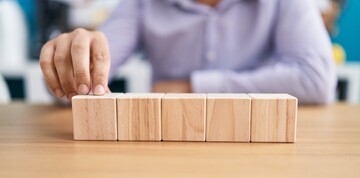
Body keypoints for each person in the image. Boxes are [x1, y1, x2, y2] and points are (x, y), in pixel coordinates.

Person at [40, 0, 336, 104]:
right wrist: (66, 62)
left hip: (263, 147)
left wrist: (191, 87)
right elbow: (87, 76)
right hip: (166, 150)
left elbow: (316, 79)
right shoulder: (142, 3)